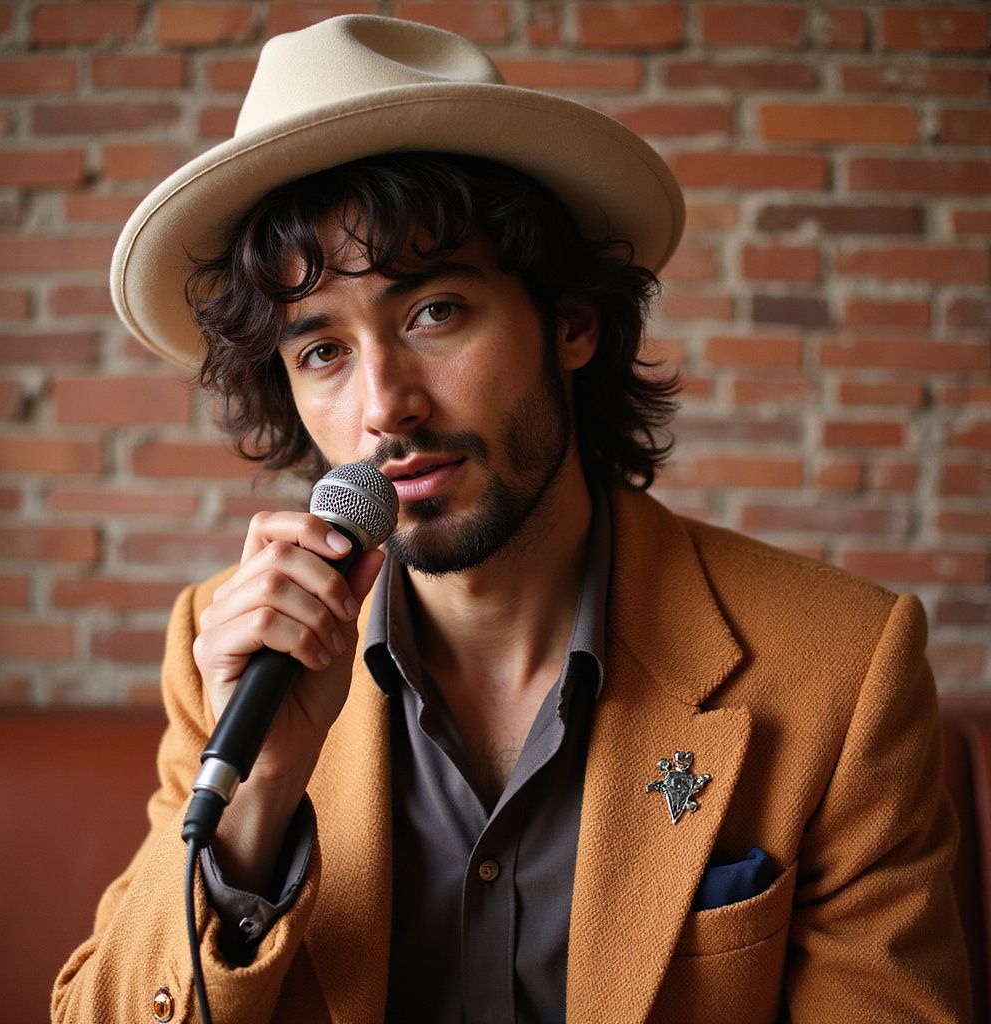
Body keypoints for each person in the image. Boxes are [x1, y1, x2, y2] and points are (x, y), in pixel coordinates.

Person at [53, 15, 971, 1024]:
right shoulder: (227, 650)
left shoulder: (844, 668)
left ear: (571, 322)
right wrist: (256, 804)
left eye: (433, 312)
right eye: (323, 352)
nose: (383, 405)